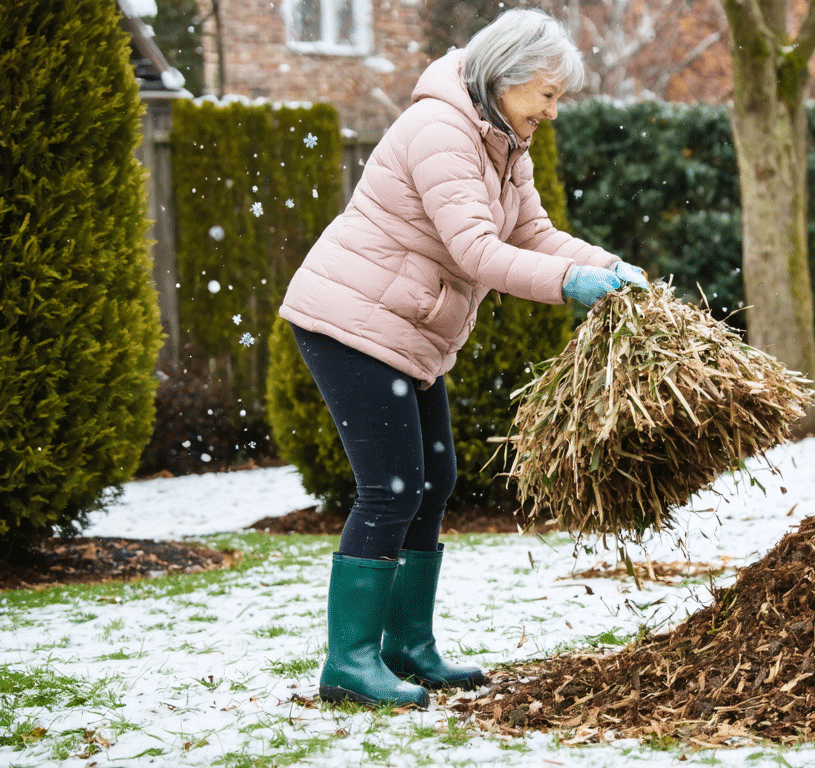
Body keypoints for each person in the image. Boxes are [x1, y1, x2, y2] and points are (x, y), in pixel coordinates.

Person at [277, 8, 648, 709]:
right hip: (349, 322)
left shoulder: (504, 141)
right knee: (390, 487)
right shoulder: (440, 131)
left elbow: (533, 233)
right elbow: (476, 249)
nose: (553, 111)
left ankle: (407, 646)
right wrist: (571, 286)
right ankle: (348, 663)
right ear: (504, 79)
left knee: (434, 478)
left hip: (402, 330)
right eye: (547, 93)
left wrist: (609, 266)